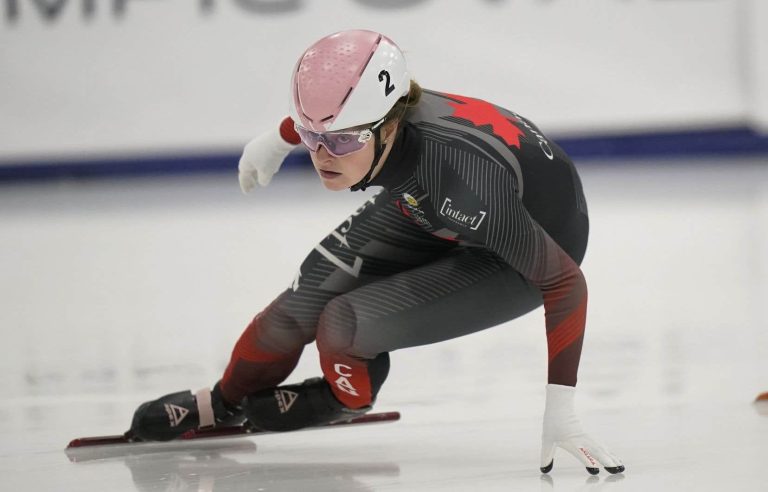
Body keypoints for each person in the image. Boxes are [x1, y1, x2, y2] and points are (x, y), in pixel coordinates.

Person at [130, 29, 624, 475]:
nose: (322, 157)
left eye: (341, 142)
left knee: (342, 325)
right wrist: (280, 138)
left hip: (525, 247)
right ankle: (223, 402)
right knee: (298, 302)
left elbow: (564, 282)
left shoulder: (453, 180)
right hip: (432, 203)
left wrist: (561, 405)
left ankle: (343, 396)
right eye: (311, 138)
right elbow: (329, 120)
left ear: (389, 128)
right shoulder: (378, 120)